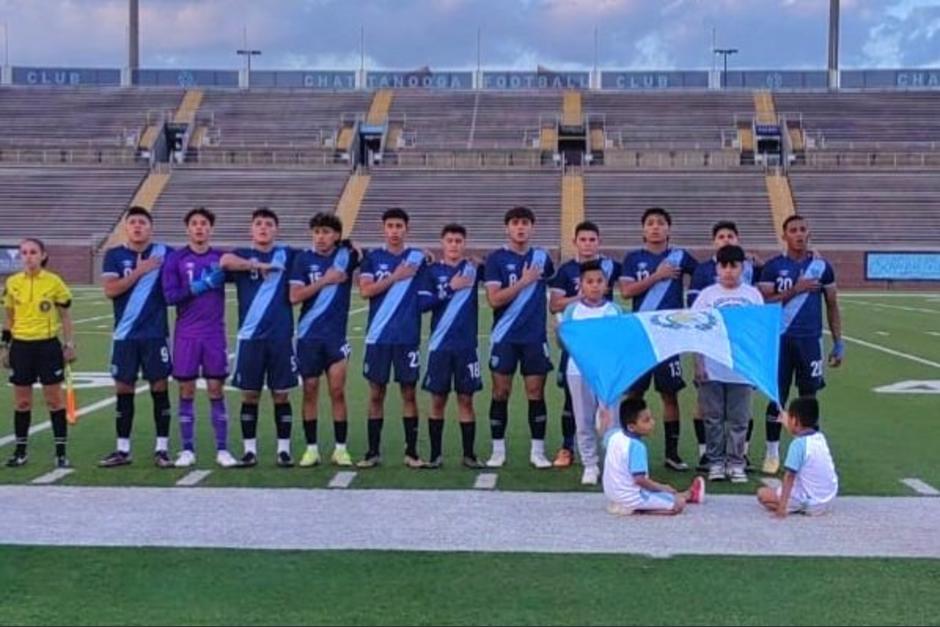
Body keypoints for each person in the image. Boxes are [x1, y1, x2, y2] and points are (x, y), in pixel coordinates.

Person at [758, 215, 843, 475]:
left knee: (809, 398)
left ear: (809, 234)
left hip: (810, 340)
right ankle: (772, 452)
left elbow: (832, 304)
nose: (798, 234)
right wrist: (797, 289)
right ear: (784, 235)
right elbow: (765, 303)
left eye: (802, 229)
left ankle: (809, 453)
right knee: (778, 396)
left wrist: (838, 342)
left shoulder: (822, 267)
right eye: (793, 230)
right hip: (781, 339)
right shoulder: (773, 267)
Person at [620, 207, 698, 471]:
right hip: (640, 337)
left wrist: (749, 263)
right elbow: (626, 291)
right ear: (643, 229)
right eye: (650, 223)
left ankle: (671, 454)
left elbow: (706, 273)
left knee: (670, 395)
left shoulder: (680, 256)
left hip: (669, 338)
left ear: (669, 229)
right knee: (634, 394)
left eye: (661, 223)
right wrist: (658, 276)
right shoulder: (633, 258)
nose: (655, 227)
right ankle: (628, 450)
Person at [220, 208, 299, 468]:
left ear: (276, 229)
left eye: (268, 224)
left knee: (281, 395)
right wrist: (256, 265)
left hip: (280, 337)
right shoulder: (242, 254)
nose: (263, 228)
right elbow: (224, 261)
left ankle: (284, 451)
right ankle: (250, 451)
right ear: (251, 229)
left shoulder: (288, 254)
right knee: (249, 395)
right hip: (250, 337)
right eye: (258, 224)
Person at [161, 207, 237, 468]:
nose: (199, 227)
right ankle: (187, 450)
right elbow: (169, 296)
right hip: (187, 334)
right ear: (187, 229)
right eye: (194, 223)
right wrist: (198, 287)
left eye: (204, 223)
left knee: (216, 388)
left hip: (214, 333)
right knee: (186, 390)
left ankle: (223, 450)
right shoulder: (176, 258)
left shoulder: (221, 258)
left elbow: (245, 272)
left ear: (211, 229)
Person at [99, 206, 173, 468]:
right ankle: (122, 449)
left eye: (142, 222)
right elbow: (110, 290)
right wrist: (140, 271)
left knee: (159, 387)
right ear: (126, 227)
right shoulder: (114, 255)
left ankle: (162, 449)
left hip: (155, 334)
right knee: (123, 388)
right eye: (133, 222)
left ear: (151, 227)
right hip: (125, 335)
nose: (138, 226)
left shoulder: (165, 253)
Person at [687, 220, 763, 470]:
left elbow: (758, 334)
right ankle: (716, 462)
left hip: (741, 366)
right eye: (724, 266)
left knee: (739, 418)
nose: (729, 271)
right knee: (713, 418)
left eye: (734, 266)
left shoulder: (753, 295)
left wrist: (756, 366)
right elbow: (696, 330)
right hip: (713, 365)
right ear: (717, 268)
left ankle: (737, 462)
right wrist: (698, 363)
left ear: (743, 267)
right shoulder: (707, 295)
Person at [357, 208, 429, 469]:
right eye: (390, 226)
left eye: (399, 226)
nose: (394, 231)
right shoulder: (372, 258)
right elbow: (365, 291)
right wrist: (395, 277)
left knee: (409, 393)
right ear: (383, 228)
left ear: (406, 229)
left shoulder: (418, 258)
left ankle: (411, 452)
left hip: (407, 337)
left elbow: (428, 288)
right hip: (378, 337)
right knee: (376, 393)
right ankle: (372, 452)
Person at [484, 206, 555, 469]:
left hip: (534, 337)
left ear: (532, 227)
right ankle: (497, 450)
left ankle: (538, 451)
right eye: (515, 223)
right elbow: (494, 299)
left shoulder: (543, 257)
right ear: (507, 228)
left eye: (525, 222)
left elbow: (556, 289)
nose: (520, 227)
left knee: (535, 392)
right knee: (500, 392)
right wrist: (524, 281)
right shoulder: (496, 259)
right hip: (505, 336)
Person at [289, 213, 359, 468]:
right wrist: (325, 280)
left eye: (326, 232)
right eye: (317, 232)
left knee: (337, 391)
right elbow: (294, 296)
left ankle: (341, 449)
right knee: (309, 390)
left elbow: (363, 254)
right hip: (308, 336)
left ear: (336, 235)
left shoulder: (345, 257)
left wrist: (426, 255)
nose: (320, 237)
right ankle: (311, 449)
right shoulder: (303, 259)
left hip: (335, 337)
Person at [548, 220, 620, 469]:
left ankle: (614, 460)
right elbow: (554, 305)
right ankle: (571, 450)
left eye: (592, 240)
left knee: (609, 411)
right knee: (575, 405)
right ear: (575, 242)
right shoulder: (566, 272)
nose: (588, 244)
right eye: (583, 240)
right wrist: (581, 297)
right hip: (577, 357)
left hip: (605, 360)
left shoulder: (610, 268)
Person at [1, 238, 76, 468]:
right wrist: (4, 347)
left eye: (33, 252)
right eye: (24, 252)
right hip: (21, 347)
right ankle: (20, 452)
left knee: (54, 401)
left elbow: (65, 316)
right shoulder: (12, 283)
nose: (28, 256)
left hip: (47, 347)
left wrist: (69, 344)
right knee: (22, 402)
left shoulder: (54, 281)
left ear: (43, 255)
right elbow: (9, 318)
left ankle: (61, 454)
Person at [420, 224, 486, 469]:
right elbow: (422, 305)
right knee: (437, 401)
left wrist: (482, 263)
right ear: (442, 243)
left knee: (466, 400)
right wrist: (449, 288)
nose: (454, 245)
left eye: (458, 241)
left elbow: (495, 271)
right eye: (450, 240)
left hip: (466, 347)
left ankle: (469, 454)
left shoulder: (473, 269)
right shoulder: (432, 271)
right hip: (440, 346)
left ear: (464, 244)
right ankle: (435, 455)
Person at [558, 260, 623, 485]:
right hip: (578, 371)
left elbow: (618, 343)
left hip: (607, 373)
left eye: (599, 281)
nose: (594, 286)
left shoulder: (614, 310)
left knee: (610, 421)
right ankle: (590, 464)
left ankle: (613, 465)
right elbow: (565, 343)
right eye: (589, 282)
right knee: (584, 420)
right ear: (581, 285)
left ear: (606, 285)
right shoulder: (572, 311)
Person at [602, 398, 705, 516]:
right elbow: (639, 480)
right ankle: (637, 509)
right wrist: (662, 487)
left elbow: (604, 436)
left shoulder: (614, 436)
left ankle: (687, 494)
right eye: (646, 421)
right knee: (678, 504)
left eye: (651, 418)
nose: (652, 423)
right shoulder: (637, 447)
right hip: (632, 497)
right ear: (631, 427)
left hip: (613, 495)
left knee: (665, 495)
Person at [757, 396, 838, 517]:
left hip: (812, 501)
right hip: (828, 497)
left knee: (763, 494)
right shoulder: (819, 438)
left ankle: (797, 506)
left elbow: (789, 476)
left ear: (795, 421)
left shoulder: (798, 445)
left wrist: (782, 508)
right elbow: (799, 435)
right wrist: (788, 423)